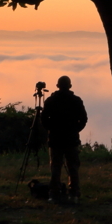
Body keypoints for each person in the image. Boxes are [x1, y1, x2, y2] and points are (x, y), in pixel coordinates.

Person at [41, 75, 88, 203]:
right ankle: (74, 194)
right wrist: (75, 129)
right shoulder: (76, 100)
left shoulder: (51, 100)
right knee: (73, 166)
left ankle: (54, 194)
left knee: (55, 167)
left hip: (55, 139)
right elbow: (83, 119)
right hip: (71, 139)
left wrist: (51, 129)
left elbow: (44, 119)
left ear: (57, 86)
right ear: (70, 86)